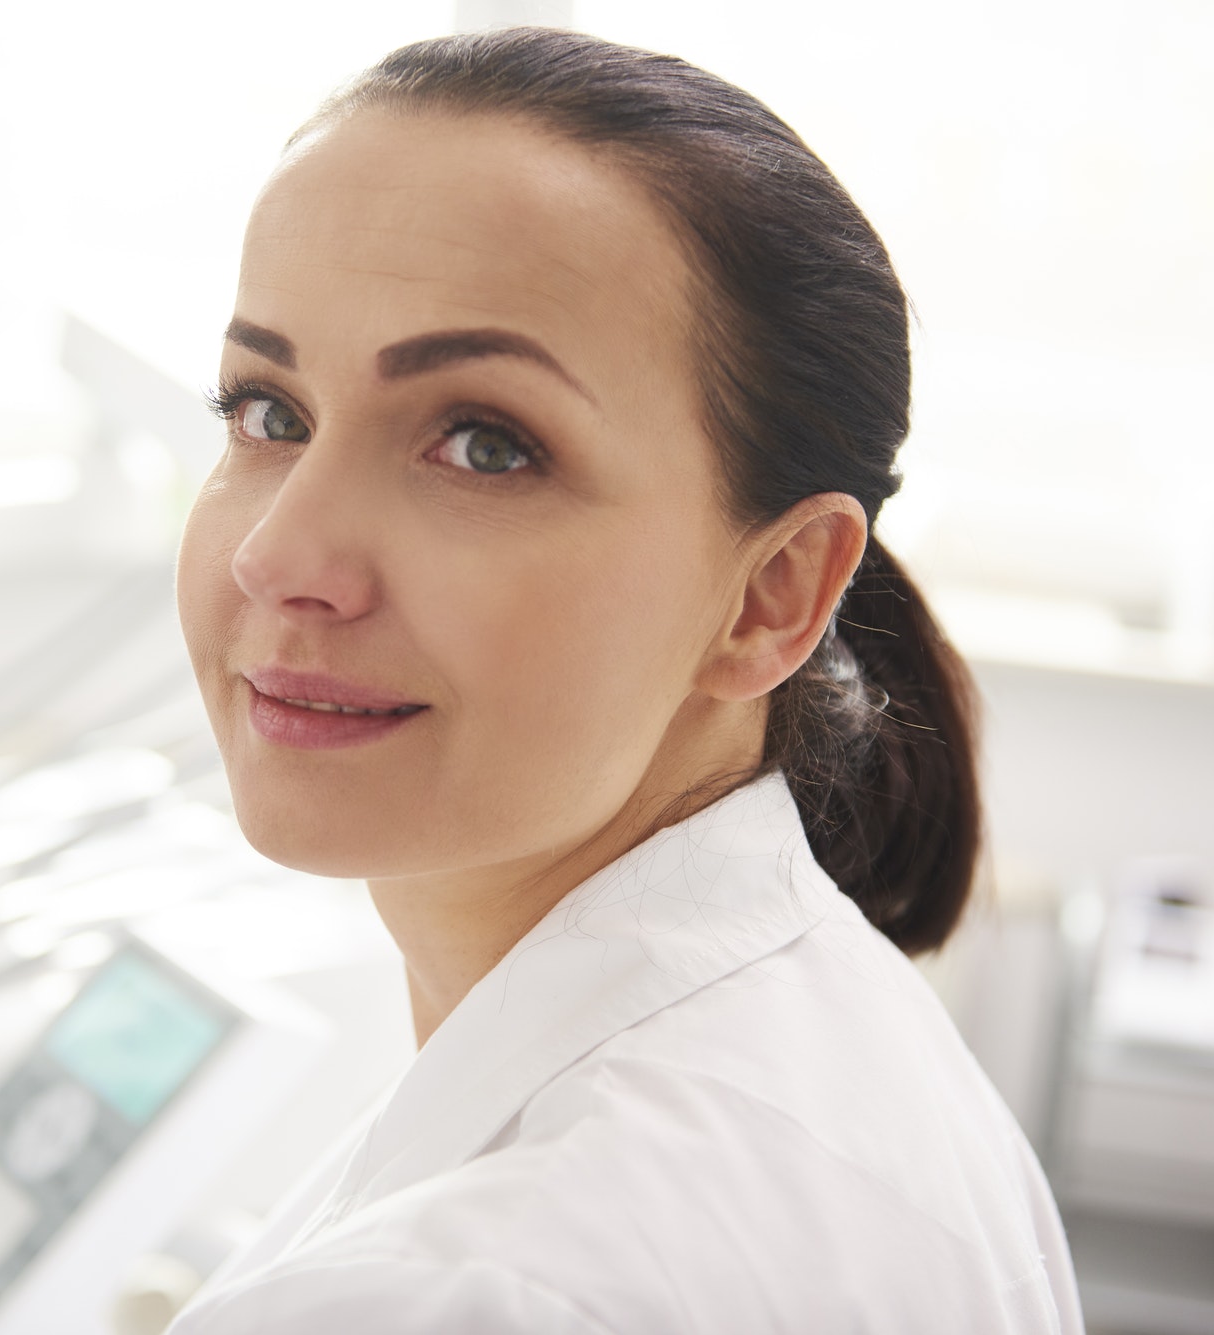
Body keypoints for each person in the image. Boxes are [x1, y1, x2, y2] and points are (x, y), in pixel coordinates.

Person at [168, 26, 1083, 1334]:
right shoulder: (819, 1040)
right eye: (269, 413)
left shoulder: (482, 1288)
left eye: (483, 444)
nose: (279, 557)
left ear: (772, 597)